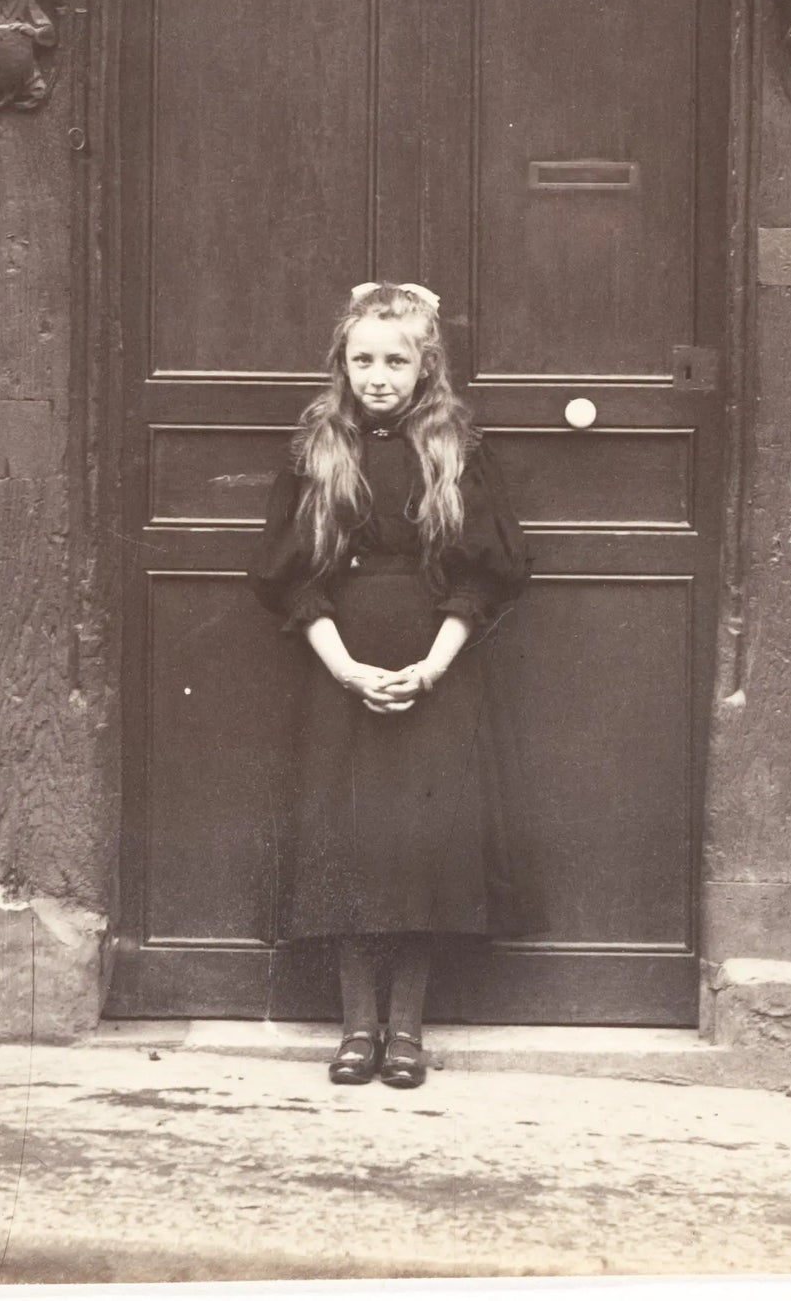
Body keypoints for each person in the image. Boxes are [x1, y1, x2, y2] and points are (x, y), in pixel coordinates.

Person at [250, 281, 533, 1091]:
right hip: (341, 655)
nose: (378, 375)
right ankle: (355, 1025)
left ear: (424, 365)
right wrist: (341, 665)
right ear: (342, 361)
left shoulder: (458, 449)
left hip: (433, 656)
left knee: (423, 846)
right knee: (348, 840)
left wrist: (435, 663)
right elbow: (289, 574)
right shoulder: (316, 449)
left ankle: (406, 1025)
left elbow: (483, 576)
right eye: (363, 358)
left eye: (396, 360)